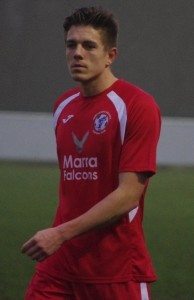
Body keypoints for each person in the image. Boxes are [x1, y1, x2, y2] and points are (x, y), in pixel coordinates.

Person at [21, 6, 161, 300]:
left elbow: (128, 195)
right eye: (71, 45)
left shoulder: (137, 106)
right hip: (58, 267)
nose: (77, 53)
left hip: (114, 269)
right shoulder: (63, 106)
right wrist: (61, 238)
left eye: (89, 45)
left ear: (111, 55)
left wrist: (59, 233)